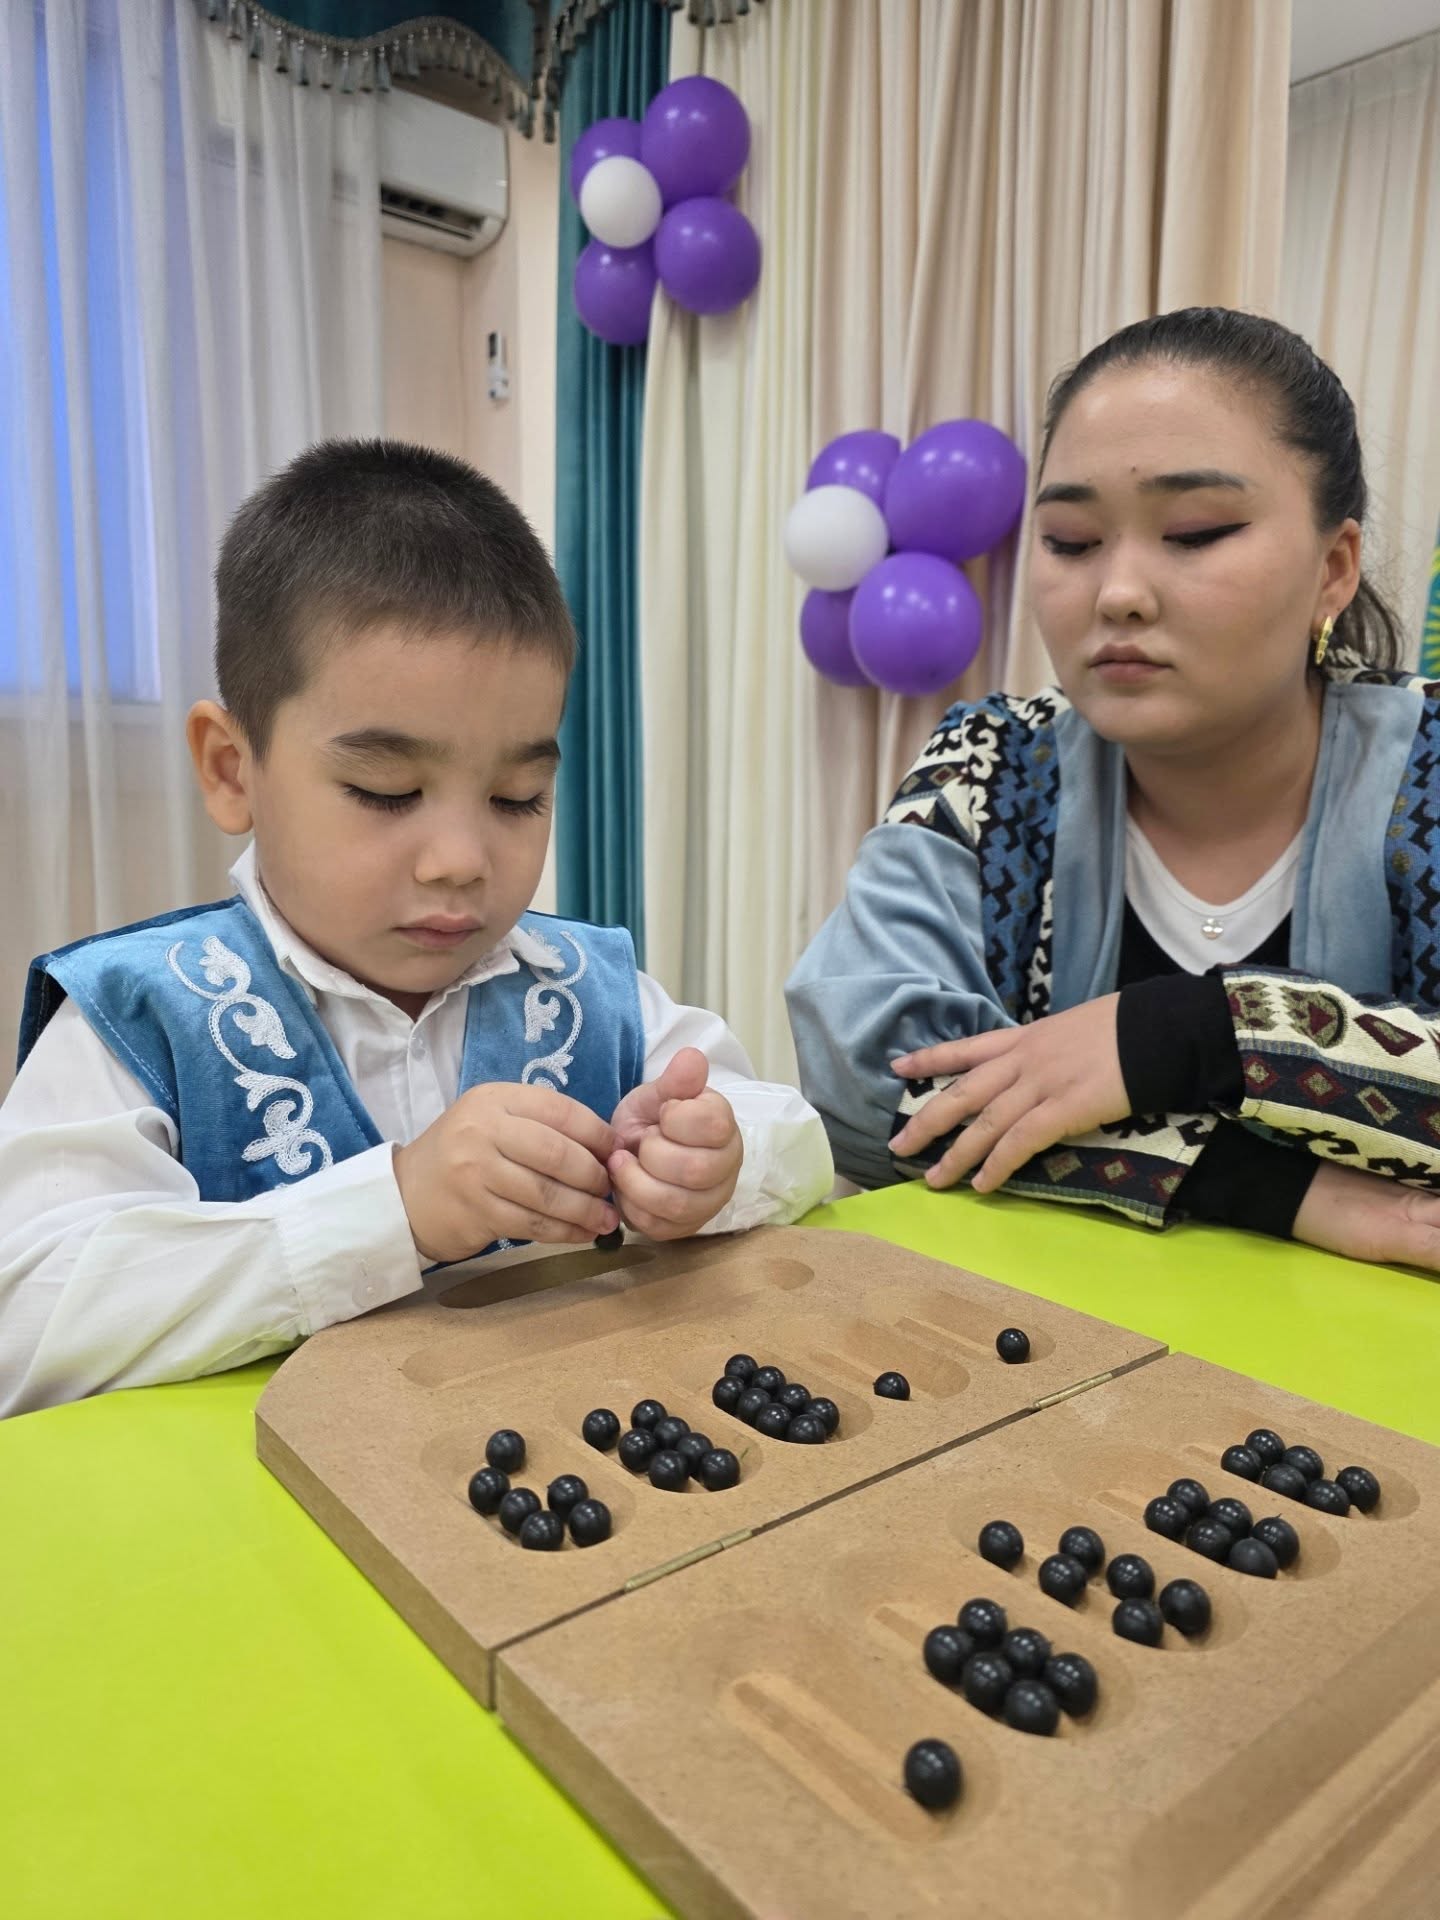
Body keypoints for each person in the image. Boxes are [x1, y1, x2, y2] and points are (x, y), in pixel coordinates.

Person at [0, 440, 833, 1416]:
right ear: (233, 769)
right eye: (386, 791)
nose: (461, 860)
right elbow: (29, 1321)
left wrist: (716, 1163)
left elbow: (798, 1135)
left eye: (518, 798)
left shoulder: (587, 984)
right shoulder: (135, 1015)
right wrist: (391, 1209)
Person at [788, 307, 1440, 1273]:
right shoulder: (994, 768)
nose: (1118, 592)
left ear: (1333, 569)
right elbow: (861, 1080)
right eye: (1071, 540)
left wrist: (1191, 1033)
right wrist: (1264, 1185)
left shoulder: (1424, 771)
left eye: (1195, 531)